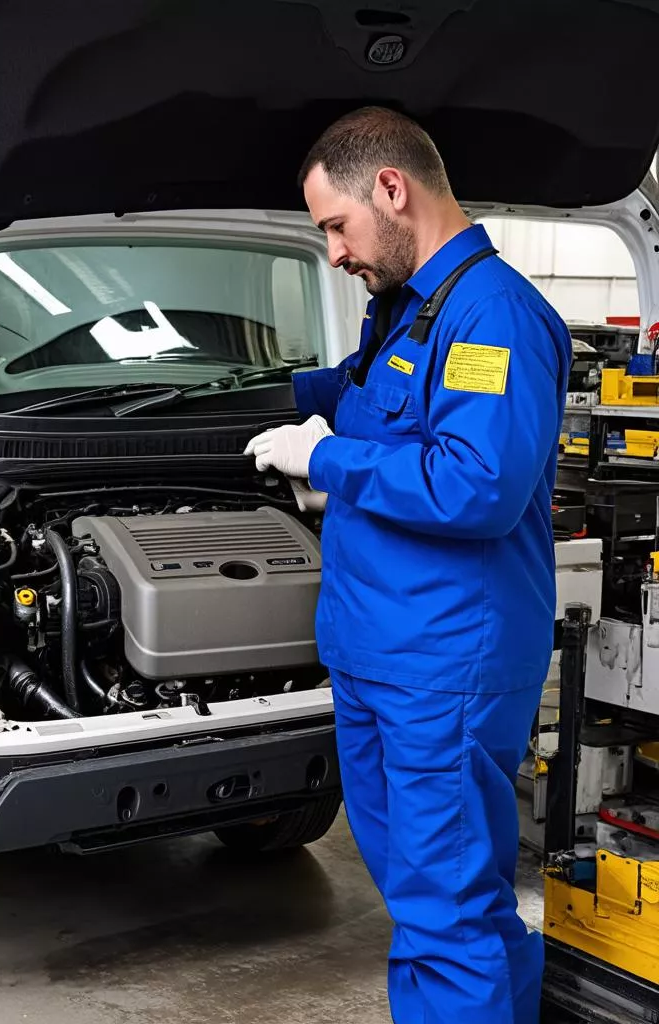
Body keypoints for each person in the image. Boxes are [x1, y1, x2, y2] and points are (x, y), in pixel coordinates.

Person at [245, 107, 571, 1024]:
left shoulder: (490, 315)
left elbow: (476, 484)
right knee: (439, 901)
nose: (336, 252)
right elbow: (368, 395)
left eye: (335, 227)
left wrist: (324, 459)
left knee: (445, 911)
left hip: (443, 664)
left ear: (392, 189)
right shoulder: (408, 310)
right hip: (379, 651)